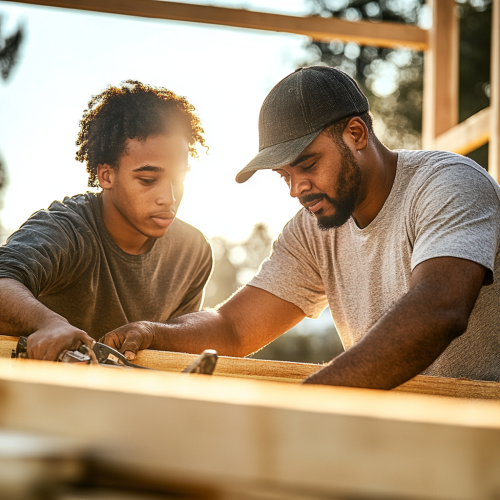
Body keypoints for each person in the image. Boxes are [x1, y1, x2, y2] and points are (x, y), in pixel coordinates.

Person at [104, 67, 498, 388]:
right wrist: (155, 332)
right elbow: (234, 327)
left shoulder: (447, 184)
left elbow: (439, 309)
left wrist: (312, 401)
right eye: (284, 176)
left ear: (356, 134)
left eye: (308, 165)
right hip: (399, 433)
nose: (297, 190)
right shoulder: (314, 228)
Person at [0, 80, 212, 361]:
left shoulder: (193, 252)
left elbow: (177, 349)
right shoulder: (67, 229)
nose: (169, 198)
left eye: (178, 179)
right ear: (106, 176)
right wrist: (49, 323)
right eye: (148, 180)